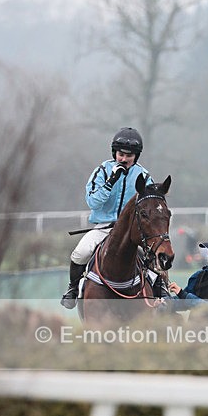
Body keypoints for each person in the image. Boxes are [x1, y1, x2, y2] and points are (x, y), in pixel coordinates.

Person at [60, 127, 151, 308]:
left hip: (131, 229)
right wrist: (111, 181)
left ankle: (161, 291)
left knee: (153, 255)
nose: (123, 159)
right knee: (80, 253)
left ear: (136, 156)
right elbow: (93, 202)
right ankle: (72, 289)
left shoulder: (144, 176)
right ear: (114, 152)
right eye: (120, 154)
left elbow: (149, 204)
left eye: (129, 155)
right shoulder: (102, 171)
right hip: (104, 226)